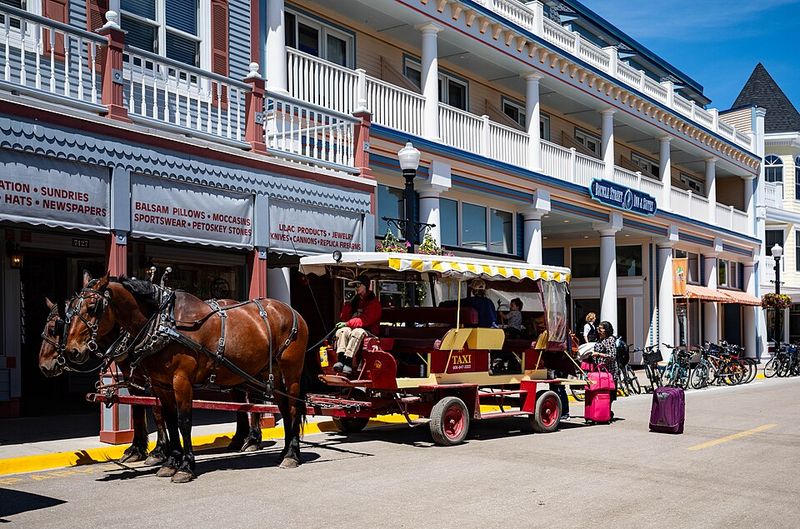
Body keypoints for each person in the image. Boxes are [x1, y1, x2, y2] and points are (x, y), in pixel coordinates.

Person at [333, 275, 381, 376]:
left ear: (366, 286)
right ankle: (341, 359)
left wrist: (347, 323)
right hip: (353, 328)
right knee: (343, 331)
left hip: (369, 332)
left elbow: (365, 321)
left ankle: (349, 361)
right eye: (355, 285)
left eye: (358, 285)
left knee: (357, 332)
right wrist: (348, 304)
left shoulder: (374, 303)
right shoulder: (355, 301)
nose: (356, 287)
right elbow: (344, 318)